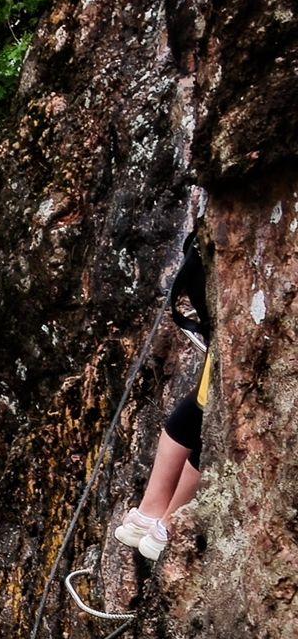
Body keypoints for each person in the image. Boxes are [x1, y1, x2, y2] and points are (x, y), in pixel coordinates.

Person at [117, 240, 212, 561]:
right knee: (219, 420)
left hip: (207, 270)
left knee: (204, 403)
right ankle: (166, 527)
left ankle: (149, 515)